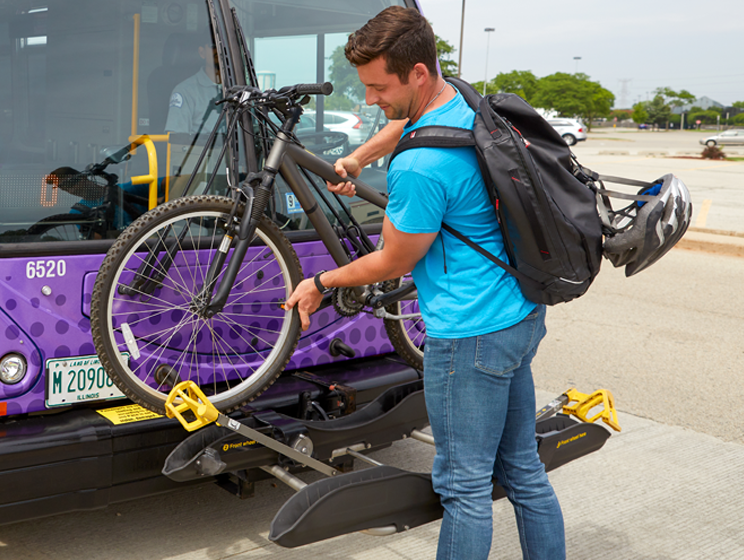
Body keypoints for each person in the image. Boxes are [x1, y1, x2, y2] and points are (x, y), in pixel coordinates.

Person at [283, 6, 565, 560]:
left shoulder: (420, 169)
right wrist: (362, 155)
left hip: (468, 337)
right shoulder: (461, 99)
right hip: (519, 313)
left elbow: (392, 260)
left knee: (463, 490)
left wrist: (320, 278)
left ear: (416, 73)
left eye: (377, 87)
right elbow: (407, 124)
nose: (369, 101)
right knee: (525, 473)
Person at [164, 39, 222, 136]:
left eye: (225, 45)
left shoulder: (242, 92)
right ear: (202, 52)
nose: (220, 50)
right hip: (203, 151)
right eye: (213, 45)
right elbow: (178, 143)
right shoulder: (185, 91)